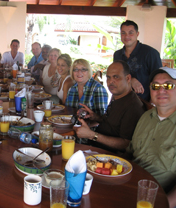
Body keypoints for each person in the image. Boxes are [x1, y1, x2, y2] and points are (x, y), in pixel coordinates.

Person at [127, 67, 176, 196]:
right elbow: (130, 152)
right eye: (155, 86)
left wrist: (166, 204)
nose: (161, 90)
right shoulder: (145, 117)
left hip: (158, 196)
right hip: (129, 184)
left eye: (168, 85)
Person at [75, 61, 145, 152]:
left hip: (109, 156)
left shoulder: (133, 106)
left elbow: (126, 144)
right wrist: (95, 116)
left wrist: (92, 135)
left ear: (128, 78)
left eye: (116, 77)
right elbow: (112, 125)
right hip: (95, 146)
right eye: (108, 77)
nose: (111, 81)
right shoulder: (117, 96)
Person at [114, 20, 162, 101]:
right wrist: (130, 79)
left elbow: (159, 79)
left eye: (131, 32)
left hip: (144, 103)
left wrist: (153, 103)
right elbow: (115, 76)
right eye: (123, 33)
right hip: (122, 100)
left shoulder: (150, 53)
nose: (126, 36)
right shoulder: (117, 55)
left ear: (137, 34)